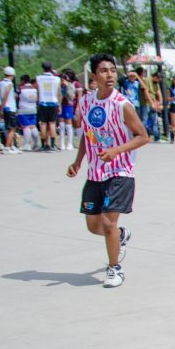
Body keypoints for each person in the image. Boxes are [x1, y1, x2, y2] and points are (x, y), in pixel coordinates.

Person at [66, 53, 149, 288]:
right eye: (104, 70)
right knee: (94, 226)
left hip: (120, 172)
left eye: (113, 70)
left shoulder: (123, 105)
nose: (110, 75)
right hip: (95, 173)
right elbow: (87, 135)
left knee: (108, 222)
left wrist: (116, 151)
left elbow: (143, 137)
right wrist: (78, 161)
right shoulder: (86, 102)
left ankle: (114, 268)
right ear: (93, 75)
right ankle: (120, 236)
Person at [36, 61, 62, 151]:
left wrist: (37, 103)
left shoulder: (39, 78)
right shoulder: (56, 79)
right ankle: (53, 144)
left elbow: (38, 92)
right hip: (53, 102)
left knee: (43, 124)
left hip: (42, 102)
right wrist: (59, 104)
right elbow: (59, 93)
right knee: (52, 124)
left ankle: (44, 144)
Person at [0, 66, 20, 154]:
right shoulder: (10, 84)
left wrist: (1, 108)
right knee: (12, 128)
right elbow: (6, 95)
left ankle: (11, 146)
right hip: (10, 107)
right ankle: (7, 147)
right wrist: (2, 108)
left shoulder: (0, 83)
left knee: (9, 127)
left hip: (5, 107)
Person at [17, 75, 40, 151]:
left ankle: (26, 144)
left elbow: (17, 97)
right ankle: (36, 143)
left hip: (23, 110)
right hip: (33, 109)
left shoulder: (21, 89)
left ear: (23, 81)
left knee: (26, 127)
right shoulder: (34, 89)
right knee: (33, 126)